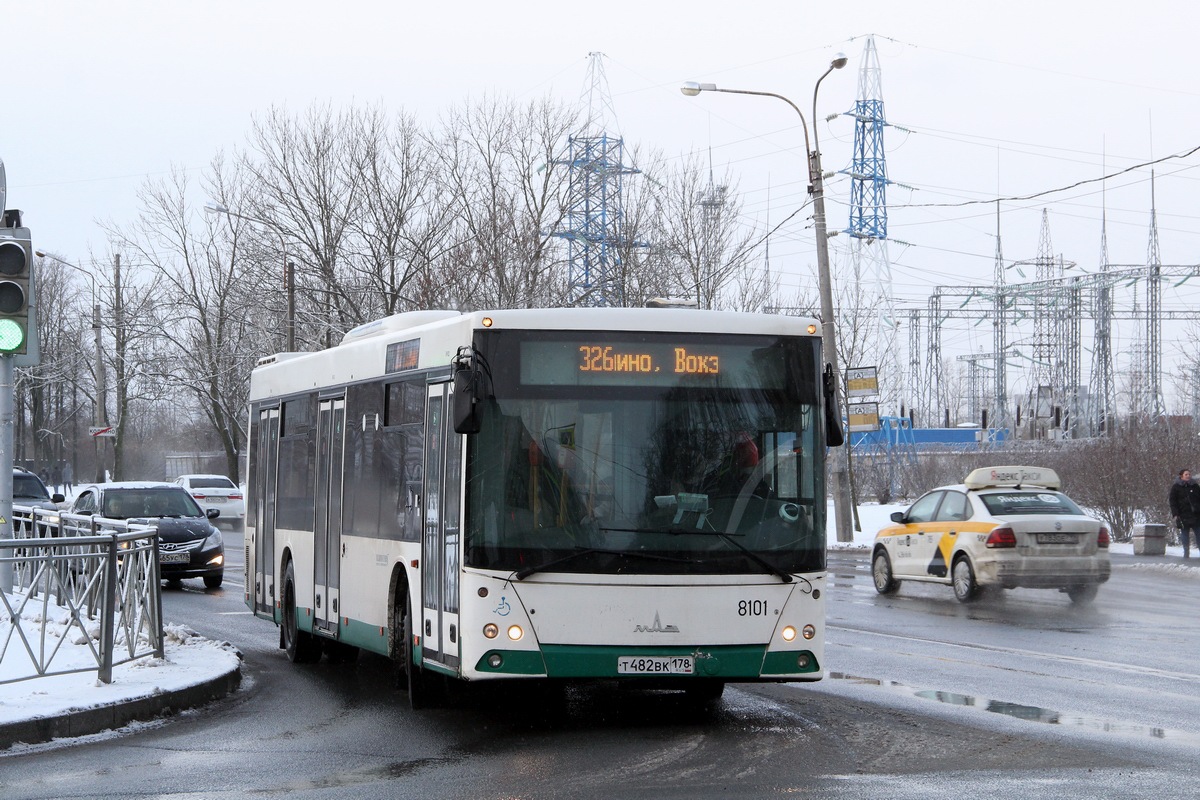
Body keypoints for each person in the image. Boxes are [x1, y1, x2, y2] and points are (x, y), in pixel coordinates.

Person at [1167, 468, 1200, 558]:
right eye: (1186, 474)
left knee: (1198, 533)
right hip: (1183, 514)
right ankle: (1186, 552)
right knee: (1184, 534)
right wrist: (1175, 513)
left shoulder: (1195, 486)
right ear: (1181, 476)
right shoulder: (1176, 487)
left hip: (1196, 514)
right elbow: (1172, 501)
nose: (1188, 476)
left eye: (1189, 474)